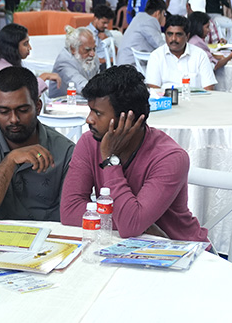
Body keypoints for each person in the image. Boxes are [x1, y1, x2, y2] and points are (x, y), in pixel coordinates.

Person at [59, 66, 208, 242]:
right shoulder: (89, 142)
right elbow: (69, 210)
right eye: (90, 110)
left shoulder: (170, 158)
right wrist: (140, 224)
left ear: (128, 118)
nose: (89, 119)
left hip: (178, 247)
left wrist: (110, 160)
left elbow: (130, 225)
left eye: (98, 113)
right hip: (121, 246)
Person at [0, 66, 73, 221]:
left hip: (50, 235)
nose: (13, 119)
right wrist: (10, 161)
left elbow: (73, 215)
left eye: (22, 110)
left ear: (38, 107)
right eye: (4, 111)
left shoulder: (65, 151)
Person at [0, 24, 60, 132]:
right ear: (12, 47)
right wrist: (44, 77)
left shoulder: (3, 64)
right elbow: (23, 96)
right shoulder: (4, 71)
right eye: (25, 44)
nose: (30, 48)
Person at [145, 15, 216, 91]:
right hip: (166, 98)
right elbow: (154, 88)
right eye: (170, 34)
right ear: (165, 35)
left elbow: (209, 88)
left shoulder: (200, 55)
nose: (173, 39)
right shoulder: (156, 56)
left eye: (178, 34)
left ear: (187, 36)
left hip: (196, 98)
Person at [117, 0, 167, 68]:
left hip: (125, 63)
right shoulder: (150, 21)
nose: (165, 17)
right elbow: (160, 45)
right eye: (164, 14)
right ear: (158, 13)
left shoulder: (139, 17)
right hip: (131, 66)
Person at [51, 26, 97, 97]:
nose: (93, 54)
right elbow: (81, 85)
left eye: (94, 49)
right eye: (87, 50)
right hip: (63, 102)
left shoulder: (91, 56)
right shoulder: (64, 62)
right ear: (73, 49)